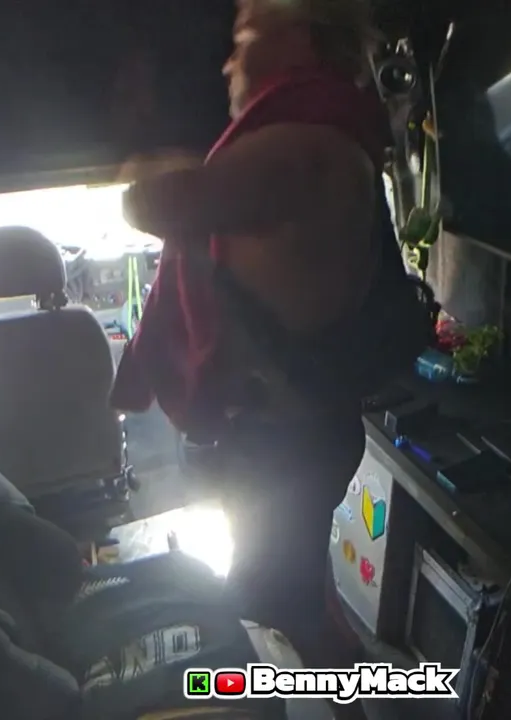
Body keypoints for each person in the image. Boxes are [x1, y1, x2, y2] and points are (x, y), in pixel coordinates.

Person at [110, 2, 389, 718]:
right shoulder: (322, 132)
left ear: (298, 35)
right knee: (300, 595)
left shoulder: (303, 142)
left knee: (267, 608)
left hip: (284, 441)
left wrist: (143, 157)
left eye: (241, 40)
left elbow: (159, 204)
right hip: (293, 429)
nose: (228, 62)